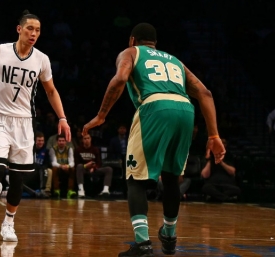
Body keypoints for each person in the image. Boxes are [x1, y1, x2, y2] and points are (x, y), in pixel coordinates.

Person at [82, 23, 225, 256]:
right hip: (185, 110)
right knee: (171, 177)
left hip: (155, 107)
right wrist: (214, 135)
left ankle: (142, 244)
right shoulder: (176, 61)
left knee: (134, 178)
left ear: (132, 40)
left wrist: (101, 115)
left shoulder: (131, 52)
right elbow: (205, 93)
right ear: (155, 43)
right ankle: (169, 235)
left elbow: (119, 79)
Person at [0, 10, 71, 242]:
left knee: (18, 178)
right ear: (19, 29)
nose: (34, 33)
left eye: (37, 30)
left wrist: (62, 117)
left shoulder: (42, 59)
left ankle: (8, 223)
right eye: (30, 28)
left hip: (25, 123)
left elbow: (50, 90)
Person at [201, 138, 240, 202]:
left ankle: (216, 198)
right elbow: (205, 175)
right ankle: (225, 198)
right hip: (213, 184)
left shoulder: (229, 156)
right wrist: (210, 160)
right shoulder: (209, 156)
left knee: (237, 190)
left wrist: (221, 162)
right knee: (206, 188)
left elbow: (232, 172)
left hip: (227, 184)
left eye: (223, 143)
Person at [74, 133, 113, 198]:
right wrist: (86, 166)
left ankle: (105, 190)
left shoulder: (95, 149)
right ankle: (81, 190)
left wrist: (94, 168)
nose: (87, 140)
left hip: (94, 169)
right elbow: (76, 163)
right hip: (84, 169)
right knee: (79, 166)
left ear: (91, 139)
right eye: (85, 138)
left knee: (109, 169)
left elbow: (99, 162)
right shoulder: (78, 149)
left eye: (88, 138)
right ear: (82, 140)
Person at [49, 133, 76, 199]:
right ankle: (56, 191)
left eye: (63, 141)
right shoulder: (53, 149)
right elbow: (53, 162)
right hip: (58, 168)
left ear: (65, 142)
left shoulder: (69, 149)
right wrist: (61, 166)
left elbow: (72, 162)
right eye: (60, 141)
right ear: (57, 142)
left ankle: (70, 191)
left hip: (66, 168)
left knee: (72, 168)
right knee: (54, 168)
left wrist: (67, 166)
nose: (61, 142)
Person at [33, 131, 52, 198]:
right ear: (35, 141)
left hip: (42, 170)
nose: (41, 142)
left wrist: (42, 168)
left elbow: (47, 163)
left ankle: (46, 191)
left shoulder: (46, 151)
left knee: (49, 171)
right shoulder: (31, 150)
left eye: (42, 141)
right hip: (32, 170)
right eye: (39, 140)